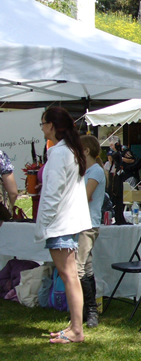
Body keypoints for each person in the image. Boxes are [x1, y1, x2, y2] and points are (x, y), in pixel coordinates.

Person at [36, 107, 91, 344]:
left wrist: (43, 224)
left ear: (51, 125)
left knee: (69, 276)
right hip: (66, 221)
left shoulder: (60, 153)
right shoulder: (68, 150)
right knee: (69, 276)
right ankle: (74, 325)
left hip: (60, 223)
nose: (41, 128)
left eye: (43, 123)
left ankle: (77, 330)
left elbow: (52, 194)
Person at [76, 135, 106, 328]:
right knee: (85, 267)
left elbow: (84, 196)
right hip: (80, 222)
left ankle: (87, 310)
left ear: (86, 151)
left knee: (78, 268)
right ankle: (90, 311)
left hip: (88, 224)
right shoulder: (87, 171)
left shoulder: (96, 171)